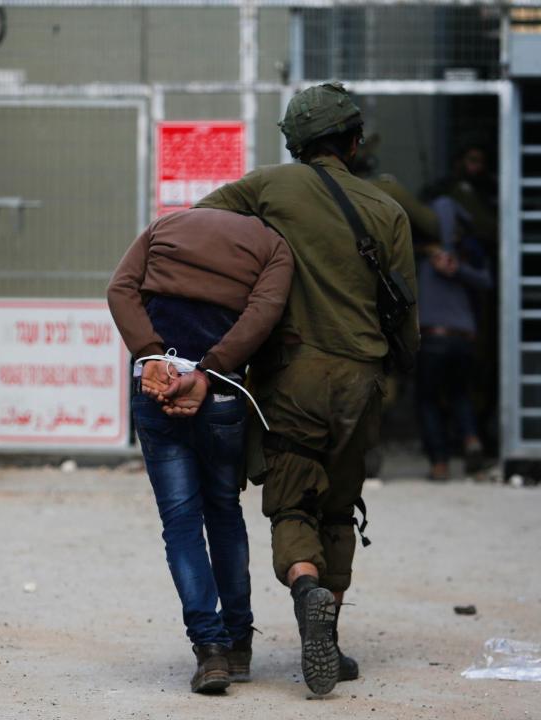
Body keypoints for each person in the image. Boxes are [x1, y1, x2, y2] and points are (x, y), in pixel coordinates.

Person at [196, 82, 419, 696]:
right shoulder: (387, 209)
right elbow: (406, 317)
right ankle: (330, 636)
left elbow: (196, 226)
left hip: (291, 375)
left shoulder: (268, 186)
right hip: (360, 377)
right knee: (339, 508)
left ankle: (304, 585)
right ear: (353, 141)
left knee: (292, 501)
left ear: (295, 142)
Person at [107, 207, 293, 693]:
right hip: (222, 396)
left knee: (181, 522)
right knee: (224, 513)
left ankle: (208, 650)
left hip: (154, 388)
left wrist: (150, 355)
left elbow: (120, 289)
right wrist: (208, 372)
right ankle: (237, 646)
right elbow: (263, 314)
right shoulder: (272, 245)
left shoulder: (164, 227)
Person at [415, 195, 493, 480]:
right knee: (461, 395)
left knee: (428, 400)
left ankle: (439, 464)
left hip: (433, 337)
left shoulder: (420, 255)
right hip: (464, 338)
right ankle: (471, 439)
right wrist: (458, 269)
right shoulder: (468, 253)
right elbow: (486, 282)